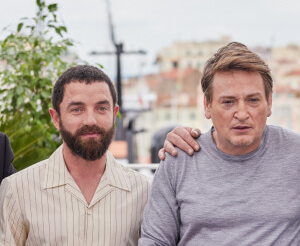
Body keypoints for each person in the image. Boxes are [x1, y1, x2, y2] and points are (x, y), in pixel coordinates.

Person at [139, 42, 300, 245]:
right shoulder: (178, 160)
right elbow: (155, 240)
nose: (242, 114)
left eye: (253, 100)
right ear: (207, 106)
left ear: (269, 103)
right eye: (228, 102)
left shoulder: (296, 155)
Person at [0, 65, 151, 245]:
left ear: (114, 114)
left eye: (101, 108)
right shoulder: (17, 190)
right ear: (56, 118)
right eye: (77, 109)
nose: (90, 120)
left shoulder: (145, 192)